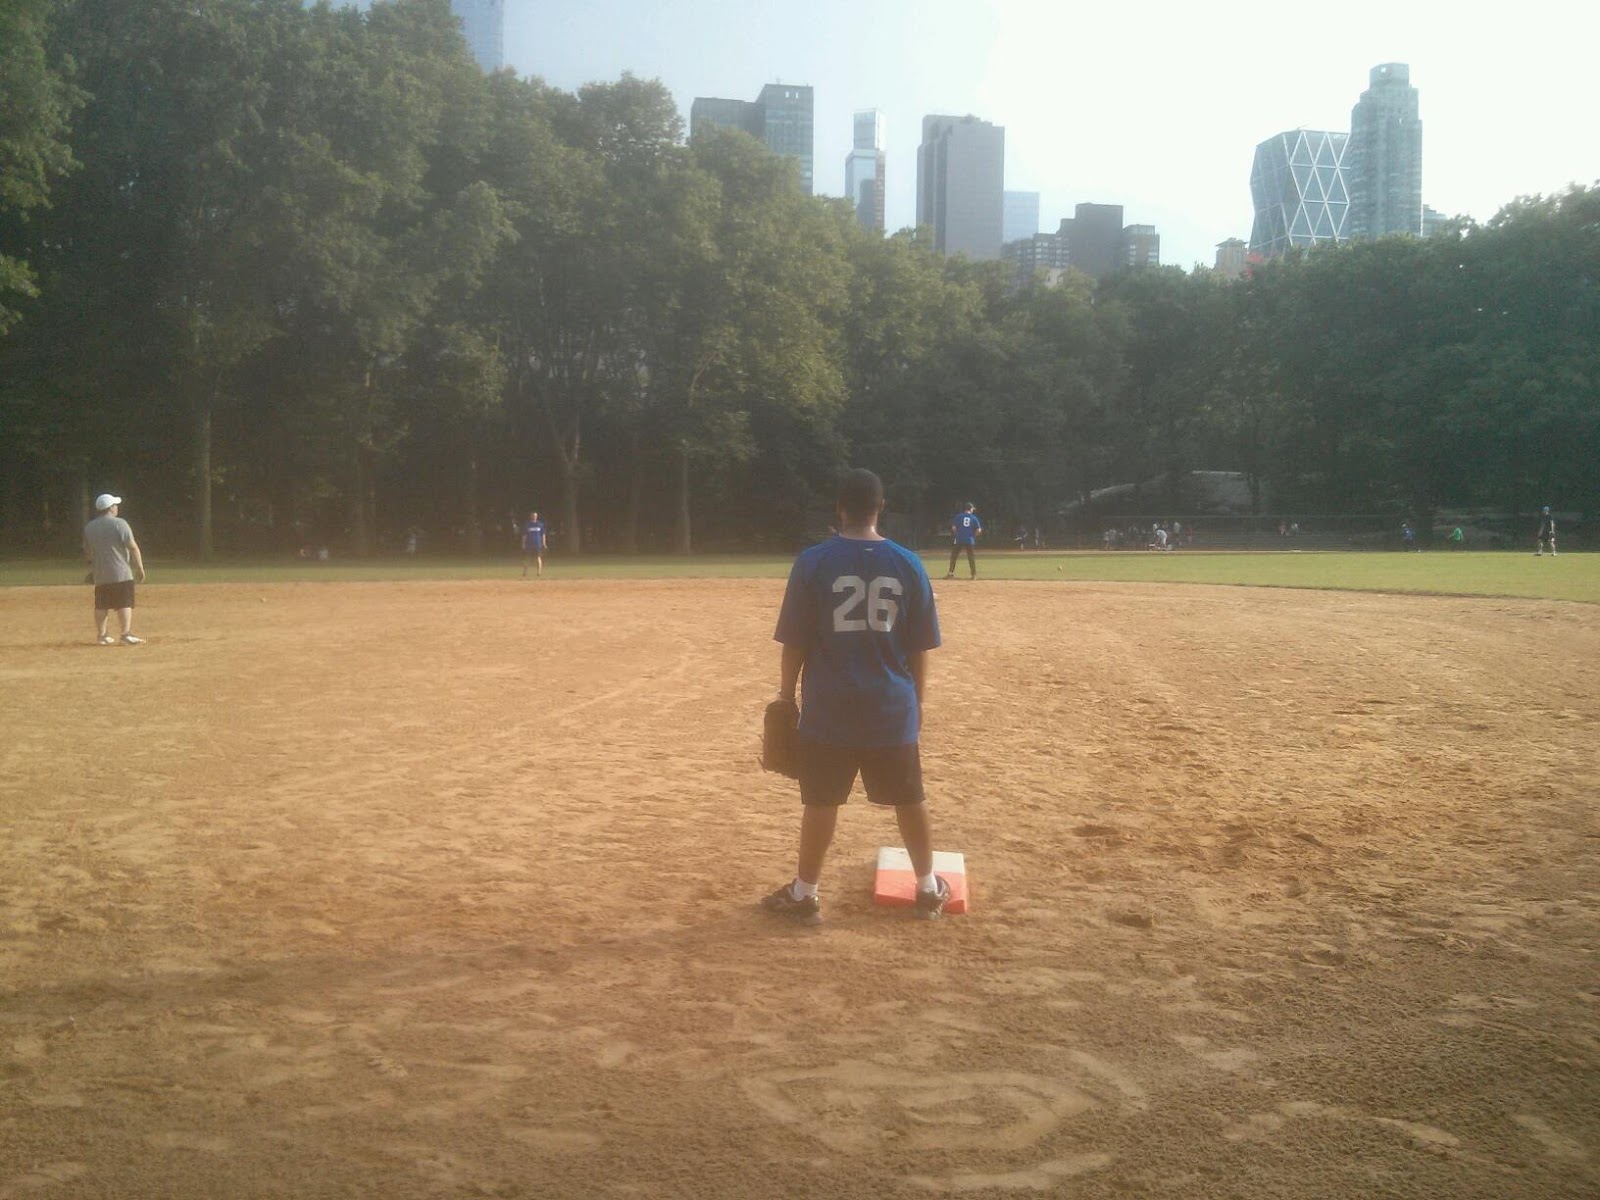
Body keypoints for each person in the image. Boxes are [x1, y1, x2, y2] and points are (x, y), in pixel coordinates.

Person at [762, 468, 950, 925]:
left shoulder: (813, 562)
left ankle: (805, 894)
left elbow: (796, 644)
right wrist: (916, 704)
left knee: (822, 800)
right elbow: (919, 647)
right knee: (910, 797)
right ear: (880, 509)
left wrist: (787, 698)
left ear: (839, 509)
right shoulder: (908, 563)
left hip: (830, 708)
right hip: (891, 704)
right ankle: (927, 889)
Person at [82, 494, 146, 645]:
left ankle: (102, 636)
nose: (117, 507)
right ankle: (125, 635)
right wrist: (140, 567)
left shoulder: (89, 527)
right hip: (121, 572)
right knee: (124, 603)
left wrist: (94, 567)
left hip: (100, 574)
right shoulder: (120, 523)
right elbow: (132, 546)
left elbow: (88, 552)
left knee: (101, 605)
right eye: (115, 505)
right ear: (110, 508)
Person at [945, 502, 982, 580]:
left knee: (954, 556)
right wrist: (973, 536)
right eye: (972, 509)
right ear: (970, 509)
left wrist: (957, 534)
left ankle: (950, 573)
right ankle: (973, 575)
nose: (973, 510)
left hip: (959, 539)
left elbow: (954, 528)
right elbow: (978, 530)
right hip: (969, 540)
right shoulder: (973, 518)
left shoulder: (958, 516)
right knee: (971, 557)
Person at [520, 510, 547, 578]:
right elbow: (524, 535)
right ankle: (524, 573)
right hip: (529, 544)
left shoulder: (540, 524)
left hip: (538, 545)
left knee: (538, 558)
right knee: (527, 558)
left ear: (537, 516)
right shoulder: (527, 525)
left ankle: (539, 572)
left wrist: (544, 543)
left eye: (535, 516)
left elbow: (543, 534)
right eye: (533, 516)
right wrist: (523, 543)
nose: (534, 517)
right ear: (531, 516)